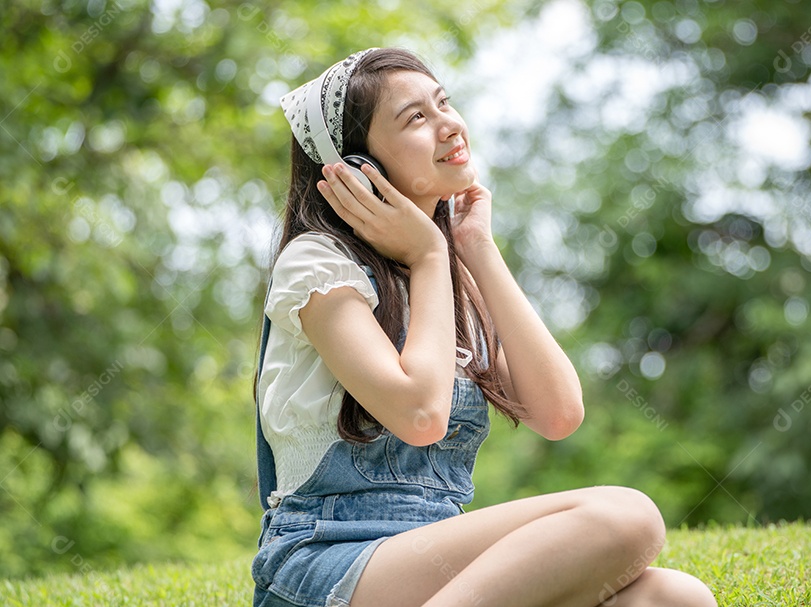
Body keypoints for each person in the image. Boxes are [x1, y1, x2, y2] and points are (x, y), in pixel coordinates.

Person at [251, 46, 717, 607]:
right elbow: (419, 415)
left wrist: (475, 249)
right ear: (356, 170)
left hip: (432, 565)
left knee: (674, 598)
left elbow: (558, 413)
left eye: (443, 102)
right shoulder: (317, 263)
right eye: (416, 118)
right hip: (325, 561)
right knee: (629, 517)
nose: (449, 124)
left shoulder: (447, 278)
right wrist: (427, 256)